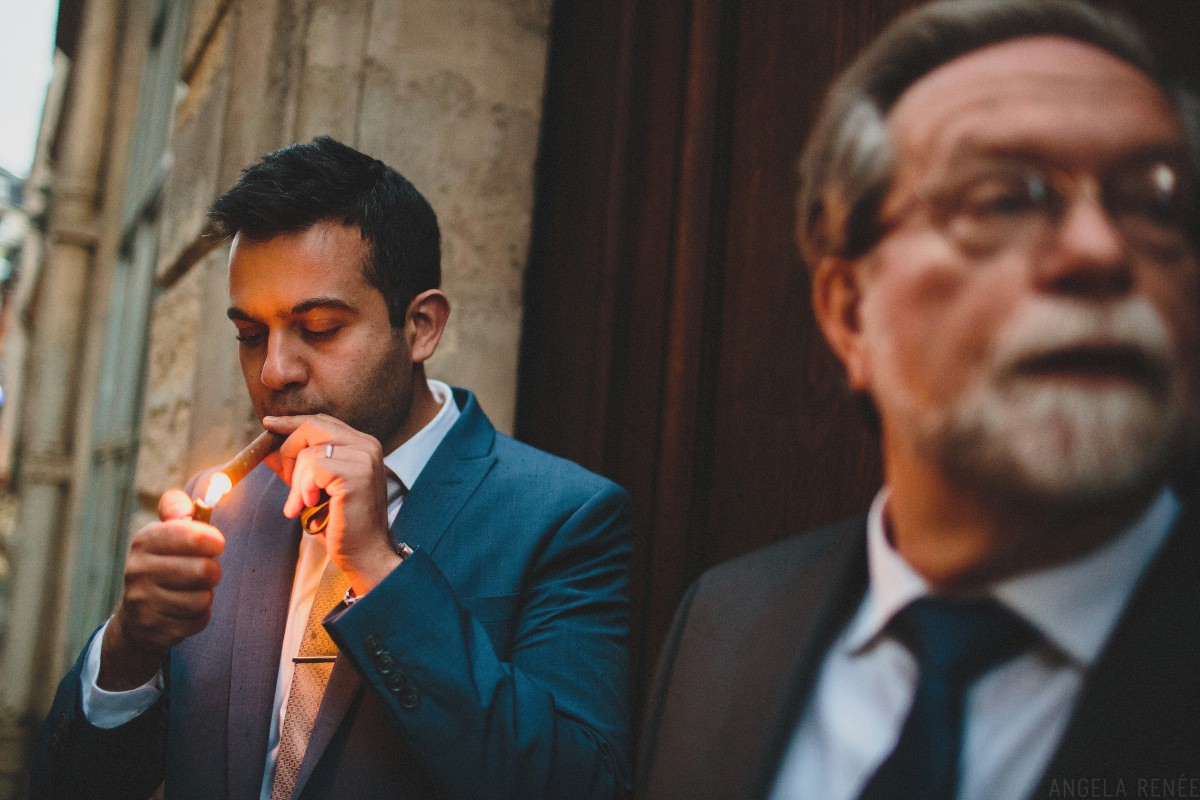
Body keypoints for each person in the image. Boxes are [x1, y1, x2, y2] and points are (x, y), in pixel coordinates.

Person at [637, 1, 1200, 799]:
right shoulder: (727, 625)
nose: (1101, 250)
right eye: (1005, 199)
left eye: (1155, 203)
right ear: (849, 311)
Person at [31, 136, 633, 800]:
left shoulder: (565, 516)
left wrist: (380, 567)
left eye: (317, 328)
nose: (274, 371)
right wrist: (128, 648)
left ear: (422, 327)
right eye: (250, 334)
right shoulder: (225, 510)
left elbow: (582, 786)